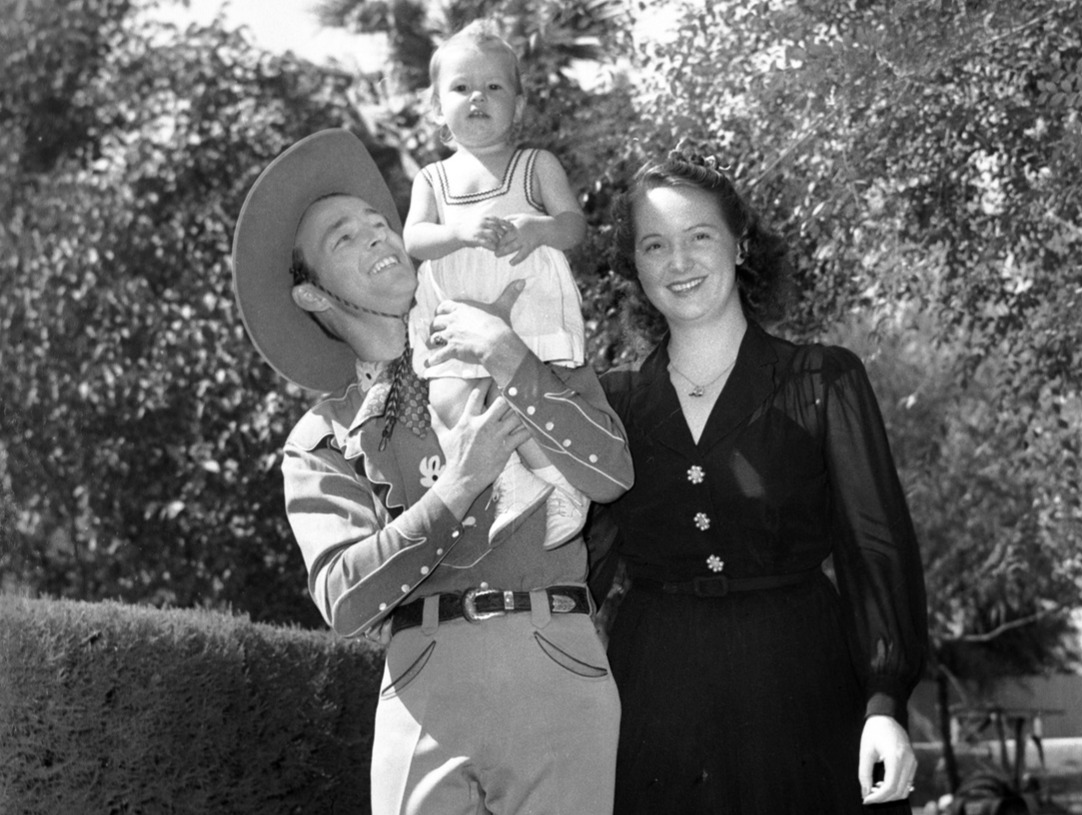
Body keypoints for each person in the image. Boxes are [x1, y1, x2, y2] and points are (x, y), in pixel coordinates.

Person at [230, 128, 631, 815]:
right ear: (313, 296)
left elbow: (610, 471)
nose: (378, 237)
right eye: (344, 239)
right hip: (422, 696)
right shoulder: (318, 439)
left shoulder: (524, 333)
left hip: (555, 667)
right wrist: (458, 485)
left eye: (379, 223)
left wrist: (513, 362)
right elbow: (343, 599)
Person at [594, 151, 929, 814]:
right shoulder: (610, 405)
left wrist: (885, 702)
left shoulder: (821, 380)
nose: (678, 261)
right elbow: (574, 568)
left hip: (801, 687)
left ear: (740, 243)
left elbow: (875, 548)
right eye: (654, 244)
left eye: (699, 236)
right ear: (634, 265)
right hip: (653, 699)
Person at [404, 20, 590, 549]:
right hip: (459, 306)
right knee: (448, 399)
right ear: (438, 107)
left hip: (524, 300)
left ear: (519, 105)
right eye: (461, 88)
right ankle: (514, 480)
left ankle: (559, 483)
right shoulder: (433, 179)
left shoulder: (535, 165)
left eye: (493, 87)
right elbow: (415, 238)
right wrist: (458, 230)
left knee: (519, 393)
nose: (477, 98)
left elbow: (573, 226)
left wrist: (541, 228)